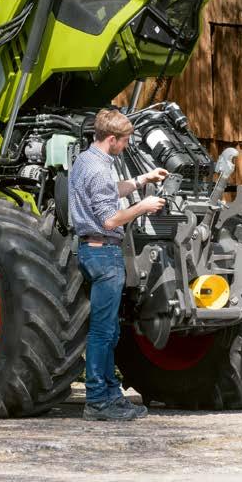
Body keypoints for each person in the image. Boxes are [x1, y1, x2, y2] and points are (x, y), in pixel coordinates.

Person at [69, 108, 168, 421]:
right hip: (103, 253)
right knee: (102, 332)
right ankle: (97, 400)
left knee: (109, 330)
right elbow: (110, 219)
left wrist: (141, 180)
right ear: (111, 139)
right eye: (124, 141)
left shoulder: (88, 160)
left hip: (98, 251)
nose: (127, 145)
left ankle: (111, 395)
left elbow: (110, 193)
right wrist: (143, 206)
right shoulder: (97, 170)